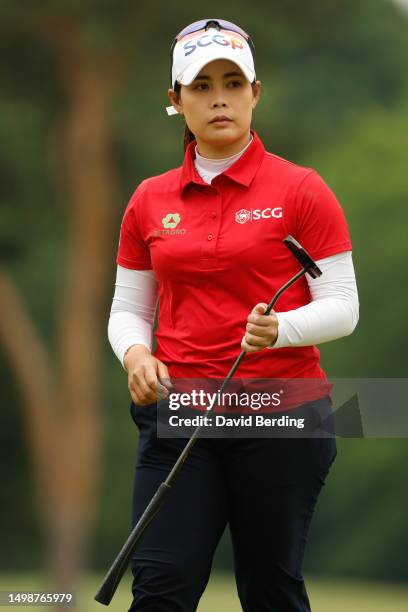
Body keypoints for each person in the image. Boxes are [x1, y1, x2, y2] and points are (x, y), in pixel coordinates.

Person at [108, 18, 359, 612]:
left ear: (255, 93)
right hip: (180, 415)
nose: (218, 97)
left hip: (282, 416)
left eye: (232, 82)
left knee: (270, 591)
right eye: (200, 86)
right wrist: (135, 353)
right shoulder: (150, 199)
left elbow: (344, 306)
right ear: (176, 101)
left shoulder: (302, 189)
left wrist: (282, 330)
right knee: (160, 588)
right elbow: (127, 308)